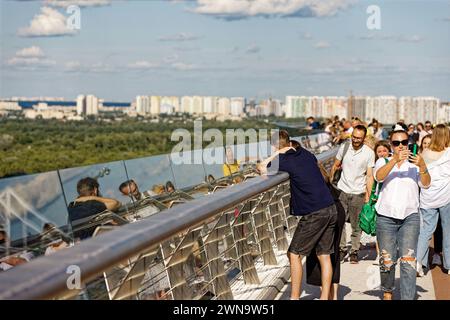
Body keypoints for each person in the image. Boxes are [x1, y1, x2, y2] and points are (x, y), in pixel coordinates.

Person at [258, 130, 337, 300]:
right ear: (289, 141)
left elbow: (262, 169)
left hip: (314, 213)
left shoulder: (283, 160)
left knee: (294, 254)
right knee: (324, 255)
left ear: (274, 146)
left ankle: (294, 298)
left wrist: (276, 154)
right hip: (330, 207)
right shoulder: (306, 153)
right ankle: (325, 298)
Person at [374, 129, 431, 300]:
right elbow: (378, 177)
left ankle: (407, 297)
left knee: (408, 261)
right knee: (387, 260)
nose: (401, 146)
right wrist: (394, 161)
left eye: (404, 142)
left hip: (410, 218)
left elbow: (426, 184)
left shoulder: (415, 163)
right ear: (390, 144)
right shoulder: (383, 160)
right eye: (396, 143)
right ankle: (387, 291)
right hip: (386, 217)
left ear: (409, 143)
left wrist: (422, 166)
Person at [330, 125, 375, 264]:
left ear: (364, 138)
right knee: (340, 222)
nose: (355, 140)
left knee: (356, 225)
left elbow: (369, 176)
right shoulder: (344, 147)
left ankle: (354, 250)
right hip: (342, 190)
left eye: (358, 138)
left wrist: (368, 195)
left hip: (359, 192)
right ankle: (342, 248)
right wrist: (330, 183)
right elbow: (335, 165)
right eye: (354, 137)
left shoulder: (369, 153)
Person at [416, 124, 450, 276]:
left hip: (428, 197)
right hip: (446, 197)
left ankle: (419, 263)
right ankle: (448, 265)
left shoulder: (424, 153)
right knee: (448, 231)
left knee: (425, 232)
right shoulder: (449, 152)